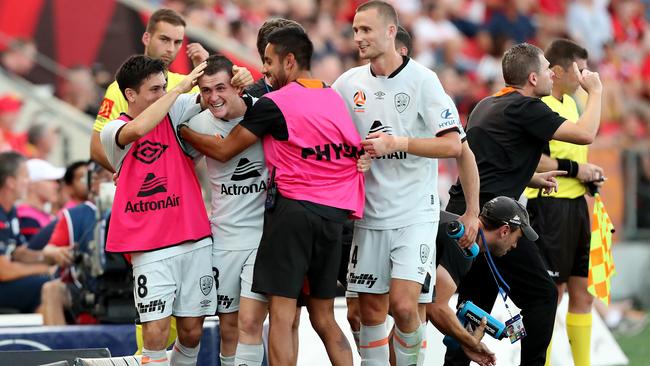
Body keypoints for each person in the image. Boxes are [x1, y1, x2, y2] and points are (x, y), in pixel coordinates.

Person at [180, 27, 366, 366]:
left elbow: (224, 151)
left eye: (268, 61)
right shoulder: (333, 97)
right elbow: (355, 152)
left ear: (290, 61)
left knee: (281, 316)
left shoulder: (274, 103)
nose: (264, 69)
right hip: (335, 217)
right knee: (324, 318)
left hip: (293, 215)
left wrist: (185, 131)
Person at [444, 42, 603, 366]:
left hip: (466, 214)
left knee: (474, 305)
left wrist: (528, 178)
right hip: (493, 220)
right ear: (532, 78)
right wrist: (596, 91)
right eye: (546, 69)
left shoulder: (487, 104)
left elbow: (490, 163)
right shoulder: (526, 107)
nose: (550, 74)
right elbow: (586, 134)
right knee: (543, 296)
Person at [332, 2, 462, 364]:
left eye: (366, 30)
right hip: (369, 215)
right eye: (356, 30)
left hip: (414, 214)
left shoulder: (423, 79)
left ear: (391, 32)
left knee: (405, 306)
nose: (358, 37)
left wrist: (398, 143)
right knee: (369, 314)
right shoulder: (347, 83)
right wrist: (352, 158)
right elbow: (334, 139)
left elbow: (453, 144)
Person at [100, 55, 214, 366]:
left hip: (193, 238)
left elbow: (210, 98)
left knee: (191, 333)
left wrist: (235, 75)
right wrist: (177, 91)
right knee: (155, 334)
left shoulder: (173, 109)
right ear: (130, 95)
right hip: (149, 248)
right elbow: (138, 130)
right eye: (154, 89)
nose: (163, 93)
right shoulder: (112, 130)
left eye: (164, 87)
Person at [180, 54, 268, 366]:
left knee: (250, 322)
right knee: (229, 326)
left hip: (263, 239)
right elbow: (174, 165)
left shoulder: (264, 111)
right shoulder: (196, 121)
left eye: (221, 88)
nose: (214, 97)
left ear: (237, 85)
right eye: (206, 90)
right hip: (224, 238)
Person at [90, 8, 251, 172]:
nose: (170, 48)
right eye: (164, 39)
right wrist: (129, 174)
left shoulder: (185, 82)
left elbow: (224, 109)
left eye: (177, 42)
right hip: (145, 190)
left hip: (183, 187)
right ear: (147, 38)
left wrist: (237, 76)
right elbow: (97, 149)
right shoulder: (122, 89)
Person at [523, 39, 604, 366]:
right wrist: (577, 169)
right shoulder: (541, 107)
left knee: (583, 292)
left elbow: (575, 154)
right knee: (549, 296)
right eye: (580, 69)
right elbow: (533, 159)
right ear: (557, 71)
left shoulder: (571, 103)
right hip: (547, 207)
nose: (586, 76)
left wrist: (587, 176)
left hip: (575, 208)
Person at [40, 163, 113, 325]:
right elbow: (48, 250)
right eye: (106, 179)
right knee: (52, 289)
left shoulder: (138, 209)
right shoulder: (74, 215)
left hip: (132, 287)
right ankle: (57, 349)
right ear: (93, 183)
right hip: (86, 288)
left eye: (117, 177)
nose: (113, 183)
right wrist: (57, 253)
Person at [0, 152, 51, 313]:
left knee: (53, 283)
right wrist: (44, 269)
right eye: (25, 177)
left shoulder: (10, 211)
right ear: (10, 182)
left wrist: (51, 258)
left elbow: (19, 252)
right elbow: (4, 271)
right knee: (47, 286)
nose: (28, 183)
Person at [17, 159, 64, 241]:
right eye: (50, 180)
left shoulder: (40, 214)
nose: (56, 186)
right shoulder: (27, 219)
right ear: (31, 184)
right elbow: (34, 252)